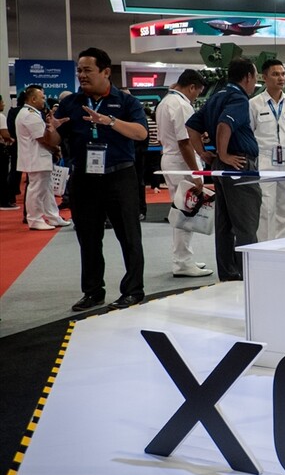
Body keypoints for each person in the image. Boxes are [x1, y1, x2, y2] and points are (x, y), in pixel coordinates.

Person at [52, 47, 150, 311]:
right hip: (84, 178)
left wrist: (109, 121)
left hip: (120, 176)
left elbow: (141, 133)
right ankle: (93, 292)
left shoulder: (126, 102)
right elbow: (54, 141)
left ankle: (133, 290)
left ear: (106, 72)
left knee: (129, 236)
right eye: (79, 70)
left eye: (87, 70)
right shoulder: (71, 103)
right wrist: (50, 130)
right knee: (88, 238)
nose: (82, 75)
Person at [186, 57, 261, 281]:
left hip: (221, 165)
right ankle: (248, 275)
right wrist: (225, 153)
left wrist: (203, 153)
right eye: (255, 77)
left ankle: (228, 274)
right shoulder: (239, 98)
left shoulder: (216, 96)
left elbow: (191, 126)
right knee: (246, 224)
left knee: (225, 224)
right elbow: (224, 125)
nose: (255, 82)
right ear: (247, 77)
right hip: (238, 164)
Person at [155, 69, 213, 278]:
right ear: (192, 87)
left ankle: (184, 258)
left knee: (184, 212)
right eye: (197, 92)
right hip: (181, 162)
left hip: (171, 158)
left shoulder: (165, 102)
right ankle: (182, 262)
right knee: (186, 213)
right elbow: (184, 142)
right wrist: (195, 172)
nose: (196, 96)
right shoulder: (181, 105)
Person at [250, 59, 285, 242]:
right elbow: (251, 131)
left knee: (284, 206)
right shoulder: (254, 103)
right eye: (275, 74)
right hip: (265, 159)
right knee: (266, 207)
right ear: (264, 78)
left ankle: (280, 243)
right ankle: (265, 245)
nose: (281, 78)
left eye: (283, 74)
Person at [14, 85, 67, 231]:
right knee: (36, 190)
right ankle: (34, 219)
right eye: (42, 97)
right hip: (36, 157)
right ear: (33, 99)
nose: (44, 100)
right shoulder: (29, 115)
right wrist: (56, 148)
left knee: (47, 189)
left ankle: (53, 216)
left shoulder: (30, 113)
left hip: (39, 156)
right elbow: (42, 138)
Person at [0, 95, 19, 211]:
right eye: (2, 101)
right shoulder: (1, 117)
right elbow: (5, 135)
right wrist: (12, 140)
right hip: (1, 149)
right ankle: (4, 201)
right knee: (2, 176)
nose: (3, 104)